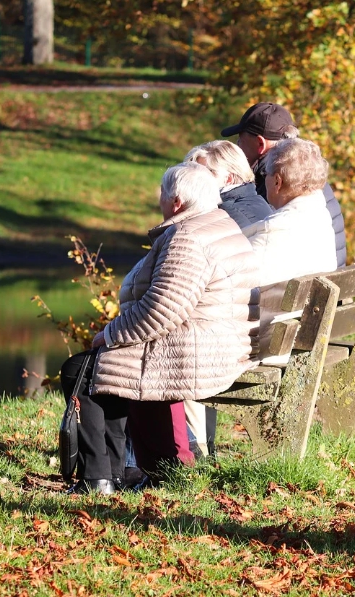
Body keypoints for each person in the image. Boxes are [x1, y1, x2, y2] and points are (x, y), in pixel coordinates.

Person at [58, 162, 260, 494]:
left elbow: (162, 309)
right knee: (107, 370)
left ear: (176, 202)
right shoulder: (218, 223)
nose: (159, 199)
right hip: (215, 341)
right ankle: (116, 474)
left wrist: (109, 334)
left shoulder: (188, 238)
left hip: (196, 350)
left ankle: (98, 479)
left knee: (81, 371)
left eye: (162, 193)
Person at [183, 139, 271, 458]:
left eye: (203, 174)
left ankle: (195, 452)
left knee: (180, 348)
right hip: (266, 330)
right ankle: (199, 448)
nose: (193, 182)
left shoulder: (223, 218)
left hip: (245, 339)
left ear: (229, 178)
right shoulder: (258, 206)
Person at [221, 102, 347, 268]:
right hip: (330, 275)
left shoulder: (272, 180)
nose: (238, 147)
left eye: (240, 141)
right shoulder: (310, 173)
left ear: (260, 144)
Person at [242, 138, 337, 286]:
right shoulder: (321, 216)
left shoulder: (272, 231)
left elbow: (236, 286)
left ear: (277, 182)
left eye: (266, 173)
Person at [185, 140, 273, 229]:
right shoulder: (260, 203)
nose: (194, 180)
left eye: (204, 174)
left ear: (229, 179)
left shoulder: (221, 215)